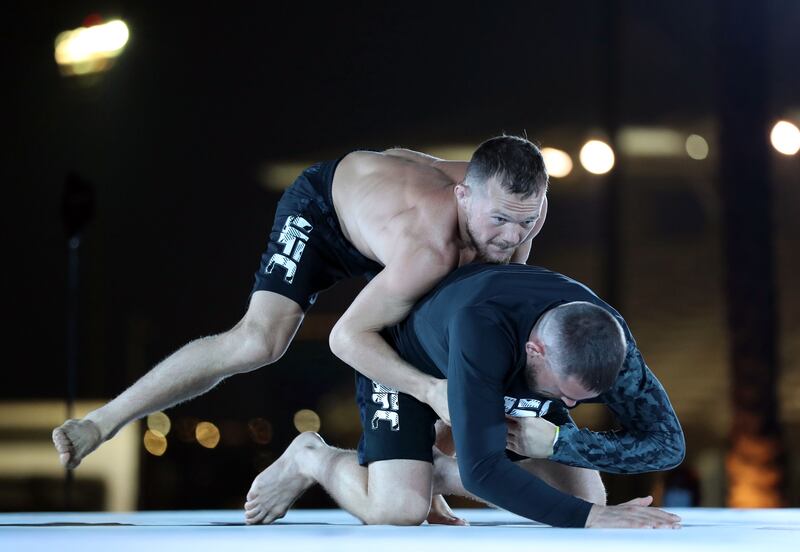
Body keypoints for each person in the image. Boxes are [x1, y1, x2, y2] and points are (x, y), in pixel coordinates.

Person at [51, 135, 549, 521]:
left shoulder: (517, 215)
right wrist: (431, 391)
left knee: (441, 338)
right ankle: (102, 422)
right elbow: (347, 338)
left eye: (525, 224)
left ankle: (415, 475)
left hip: (392, 219)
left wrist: (423, 469)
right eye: (501, 221)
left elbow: (458, 346)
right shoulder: (429, 249)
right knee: (258, 341)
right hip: (325, 209)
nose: (511, 238)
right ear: (464, 197)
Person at [244, 263, 685, 528]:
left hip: (493, 373)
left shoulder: (609, 343)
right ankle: (311, 457)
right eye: (564, 394)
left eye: (581, 400)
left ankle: (432, 470)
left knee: (587, 502)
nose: (569, 408)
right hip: (408, 361)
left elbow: (667, 446)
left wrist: (560, 442)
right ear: (536, 350)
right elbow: (481, 473)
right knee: (398, 509)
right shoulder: (483, 331)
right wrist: (590, 520)